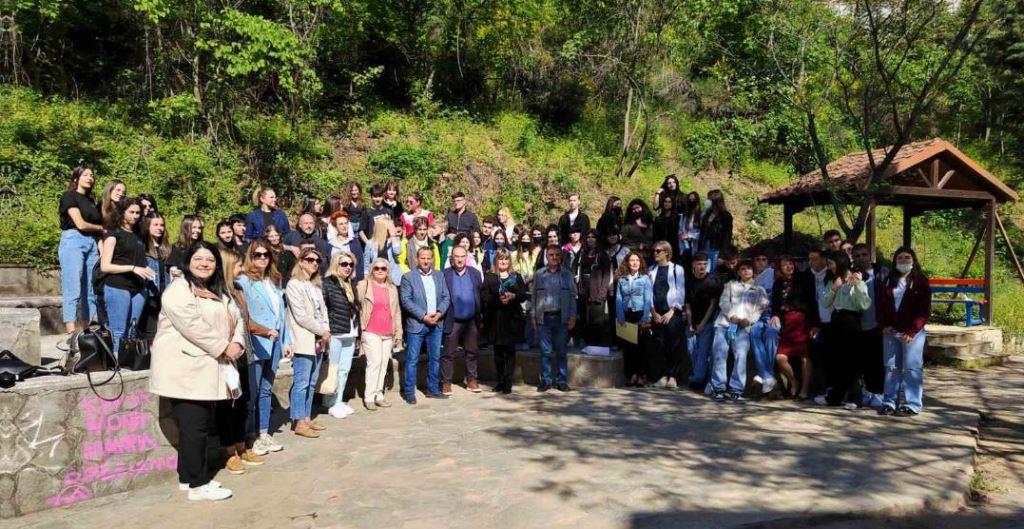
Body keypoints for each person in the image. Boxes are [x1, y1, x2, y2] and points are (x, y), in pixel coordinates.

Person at [149, 241, 245, 501]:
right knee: (195, 429)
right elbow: (193, 326)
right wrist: (224, 347)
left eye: (210, 260)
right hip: (186, 370)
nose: (204, 264)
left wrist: (238, 343)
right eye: (199, 259)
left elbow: (236, 318)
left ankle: (187, 478)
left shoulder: (217, 289)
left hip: (207, 367)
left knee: (196, 427)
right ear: (188, 261)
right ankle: (198, 485)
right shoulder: (178, 290)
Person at [237, 240, 294, 455]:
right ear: (250, 257)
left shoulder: (274, 281)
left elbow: (282, 314)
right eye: (257, 255)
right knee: (252, 392)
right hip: (257, 341)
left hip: (275, 341)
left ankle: (263, 433)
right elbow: (244, 315)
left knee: (266, 390)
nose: (262, 258)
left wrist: (286, 340)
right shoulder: (243, 281)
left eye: (266, 255)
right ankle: (249, 436)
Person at [218, 248, 266, 475]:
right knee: (227, 406)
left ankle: (241, 445)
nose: (243, 268)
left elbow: (246, 321)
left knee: (244, 402)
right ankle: (229, 452)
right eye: (238, 265)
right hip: (227, 357)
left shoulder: (238, 289)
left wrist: (265, 330)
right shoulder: (217, 292)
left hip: (245, 354)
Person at [878, 247, 930, 417]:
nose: (903, 261)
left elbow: (924, 310)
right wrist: (883, 324)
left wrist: (912, 330)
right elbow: (881, 304)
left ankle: (912, 404)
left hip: (912, 333)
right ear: (895, 261)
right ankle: (889, 402)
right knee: (891, 367)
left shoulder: (921, 281)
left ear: (913, 260)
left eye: (907, 257)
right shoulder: (888, 281)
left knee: (912, 368)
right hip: (891, 331)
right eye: (900, 258)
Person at [285, 248, 330, 437]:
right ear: (301, 261)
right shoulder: (293, 285)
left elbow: (323, 311)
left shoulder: (315, 286)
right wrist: (322, 331)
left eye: (317, 260)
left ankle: (306, 417)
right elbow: (301, 316)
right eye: (310, 259)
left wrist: (325, 330)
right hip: (303, 339)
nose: (314, 263)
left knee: (312, 382)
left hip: (318, 340)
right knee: (302, 382)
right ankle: (298, 421)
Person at [99, 197, 155, 353]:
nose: (135, 216)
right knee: (119, 331)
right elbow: (105, 266)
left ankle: (129, 361)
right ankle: (117, 362)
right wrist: (133, 268)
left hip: (138, 289)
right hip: (118, 286)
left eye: (138, 213)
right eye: (131, 212)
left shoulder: (139, 235)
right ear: (122, 212)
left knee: (132, 331)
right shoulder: (113, 234)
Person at [709, 260, 769, 402]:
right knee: (719, 355)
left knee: (740, 356)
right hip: (724, 324)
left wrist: (749, 320)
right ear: (738, 272)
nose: (746, 271)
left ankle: (736, 390)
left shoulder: (759, 290)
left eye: (749, 268)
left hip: (743, 327)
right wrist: (731, 315)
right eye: (743, 269)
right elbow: (723, 302)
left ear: (753, 271)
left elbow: (760, 309)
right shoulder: (730, 285)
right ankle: (718, 388)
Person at [816, 258, 871, 409]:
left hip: (851, 320)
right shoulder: (833, 281)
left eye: (831, 264)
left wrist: (858, 285)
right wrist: (834, 288)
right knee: (837, 361)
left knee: (851, 361)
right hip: (836, 320)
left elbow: (864, 304)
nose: (829, 267)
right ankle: (835, 397)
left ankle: (855, 397)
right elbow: (825, 303)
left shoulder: (856, 280)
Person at [399, 247, 451, 403]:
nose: (426, 261)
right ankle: (409, 392)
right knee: (412, 360)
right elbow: (406, 301)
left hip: (436, 323)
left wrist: (439, 313)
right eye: (423, 258)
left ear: (432, 259)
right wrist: (423, 316)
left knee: (435, 358)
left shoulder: (439, 275)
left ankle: (433, 389)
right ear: (417, 259)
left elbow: (446, 297)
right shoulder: (408, 277)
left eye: (429, 258)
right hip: (417, 325)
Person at [59, 166, 103, 333]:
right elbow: (81, 224)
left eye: (92, 175)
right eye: (85, 175)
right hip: (74, 240)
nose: (90, 177)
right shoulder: (69, 196)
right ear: (76, 178)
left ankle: (87, 331)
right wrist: (102, 229)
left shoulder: (91, 201)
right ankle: (71, 331)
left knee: (90, 289)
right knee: (73, 287)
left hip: (91, 242)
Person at [358, 257, 404, 410]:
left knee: (384, 364)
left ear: (387, 271)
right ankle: (369, 396)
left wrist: (399, 331)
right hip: (371, 330)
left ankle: (379, 394)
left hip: (388, 331)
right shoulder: (365, 285)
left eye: (383, 268)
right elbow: (357, 306)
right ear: (372, 270)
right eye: (376, 268)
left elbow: (396, 311)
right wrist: (361, 328)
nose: (379, 271)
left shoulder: (392, 288)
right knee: (375, 362)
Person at [531, 245, 578, 392]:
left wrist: (572, 316)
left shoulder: (567, 274)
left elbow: (572, 296)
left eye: (557, 255)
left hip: (561, 318)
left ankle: (562, 381)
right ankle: (546, 381)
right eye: (551, 255)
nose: (554, 258)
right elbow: (534, 296)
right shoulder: (539, 274)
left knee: (562, 351)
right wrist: (533, 316)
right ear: (546, 256)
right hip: (543, 318)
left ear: (560, 257)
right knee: (545, 352)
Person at [771, 255, 818, 400]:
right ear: (780, 268)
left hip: (802, 321)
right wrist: (775, 315)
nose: (789, 267)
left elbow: (812, 301)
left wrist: (815, 324)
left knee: (805, 357)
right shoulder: (778, 283)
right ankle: (794, 382)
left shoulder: (804, 279)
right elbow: (775, 304)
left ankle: (804, 390)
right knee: (780, 357)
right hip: (786, 323)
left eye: (791, 263)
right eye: (785, 265)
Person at [321, 252, 361, 417]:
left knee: (345, 369)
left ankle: (338, 400)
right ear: (336, 265)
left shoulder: (351, 283)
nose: (348, 267)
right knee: (333, 369)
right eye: (344, 264)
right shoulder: (328, 283)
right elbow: (323, 307)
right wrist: (325, 329)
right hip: (336, 331)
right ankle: (330, 402)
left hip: (350, 331)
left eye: (351, 265)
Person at [482, 248, 527, 394]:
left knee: (510, 351)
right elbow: (484, 296)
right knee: (498, 353)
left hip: (512, 319)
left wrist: (513, 296)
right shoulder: (490, 277)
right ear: (496, 260)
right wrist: (498, 299)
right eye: (500, 258)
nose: (503, 261)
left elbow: (523, 295)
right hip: (496, 319)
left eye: (506, 258)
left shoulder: (516, 276)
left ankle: (508, 382)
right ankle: (500, 381)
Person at [441, 246, 484, 394]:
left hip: (471, 320)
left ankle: (472, 380)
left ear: (466, 257)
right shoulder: (445, 274)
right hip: (453, 319)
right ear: (452, 258)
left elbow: (480, 295)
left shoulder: (475, 274)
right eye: (456, 256)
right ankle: (446, 382)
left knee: (472, 351)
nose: (459, 259)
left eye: (462, 256)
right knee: (448, 353)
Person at [648, 241, 688, 389]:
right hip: (657, 312)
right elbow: (649, 292)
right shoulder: (651, 270)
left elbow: (680, 291)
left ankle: (673, 376)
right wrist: (653, 311)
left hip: (672, 312)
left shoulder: (677, 269)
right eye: (654, 250)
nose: (655, 253)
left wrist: (672, 311)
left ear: (667, 252)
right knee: (660, 344)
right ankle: (663, 375)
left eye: (658, 251)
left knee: (674, 344)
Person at [852, 243, 887, 396]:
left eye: (864, 254)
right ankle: (867, 392)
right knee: (863, 362)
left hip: (878, 324)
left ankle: (879, 393)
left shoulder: (882, 272)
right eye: (857, 256)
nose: (861, 258)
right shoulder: (851, 275)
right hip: (858, 325)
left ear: (870, 255)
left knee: (878, 361)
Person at [616, 251, 653, 387]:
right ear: (627, 263)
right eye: (632, 260)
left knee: (642, 348)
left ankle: (642, 375)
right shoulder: (622, 280)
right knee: (629, 348)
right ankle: (632, 375)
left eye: (637, 260)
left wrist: (645, 318)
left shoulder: (645, 279)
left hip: (640, 314)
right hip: (627, 315)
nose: (635, 263)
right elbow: (618, 299)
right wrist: (620, 316)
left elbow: (648, 299)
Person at [685, 252, 721, 391]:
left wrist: (702, 324)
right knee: (691, 350)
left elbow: (713, 305)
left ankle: (697, 379)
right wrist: (690, 324)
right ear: (693, 264)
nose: (702, 267)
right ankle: (699, 376)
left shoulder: (712, 281)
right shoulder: (689, 281)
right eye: (699, 264)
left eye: (705, 264)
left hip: (707, 321)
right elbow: (687, 304)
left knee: (703, 352)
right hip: (691, 321)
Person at [578, 229, 614, 350]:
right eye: (588, 237)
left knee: (597, 321)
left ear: (597, 239)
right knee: (584, 319)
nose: (590, 239)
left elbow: (607, 275)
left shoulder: (603, 255)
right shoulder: (582, 253)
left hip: (597, 291)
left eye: (593, 237)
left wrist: (602, 293)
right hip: (584, 290)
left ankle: (596, 346)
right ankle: (586, 344)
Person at [749, 251, 778, 394]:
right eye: (758, 259)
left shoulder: (772, 273)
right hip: (755, 316)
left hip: (772, 313)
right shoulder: (750, 276)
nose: (761, 262)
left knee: (772, 332)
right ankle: (768, 375)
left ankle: (764, 374)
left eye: (764, 259)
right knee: (754, 332)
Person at [139, 213, 171, 342]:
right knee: (150, 330)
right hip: (149, 294)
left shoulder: (167, 248)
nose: (159, 228)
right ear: (147, 226)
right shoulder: (142, 246)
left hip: (165, 293)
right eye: (155, 225)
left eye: (162, 225)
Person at [363, 217, 404, 286]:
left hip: (393, 279)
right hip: (376, 278)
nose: (393, 229)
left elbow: (397, 252)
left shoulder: (394, 240)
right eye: (390, 227)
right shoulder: (370, 243)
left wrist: (393, 236)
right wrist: (366, 279)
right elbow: (366, 264)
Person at [698, 189, 732, 267]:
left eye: (709, 199)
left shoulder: (726, 216)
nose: (707, 201)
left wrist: (722, 255)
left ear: (715, 200)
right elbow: (703, 231)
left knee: (712, 269)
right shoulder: (708, 213)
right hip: (704, 246)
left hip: (716, 248)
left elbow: (727, 237)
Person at [325, 212, 364, 281]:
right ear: (335, 226)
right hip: (334, 281)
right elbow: (327, 265)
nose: (344, 226)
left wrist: (359, 281)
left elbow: (360, 263)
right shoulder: (330, 244)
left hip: (351, 280)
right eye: (341, 224)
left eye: (346, 223)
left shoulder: (354, 242)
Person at [653, 194, 681, 260]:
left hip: (674, 247)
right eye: (665, 201)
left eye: (669, 202)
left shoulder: (678, 218)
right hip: (661, 248)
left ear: (672, 204)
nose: (667, 204)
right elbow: (655, 235)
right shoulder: (658, 219)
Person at [678, 191, 701, 265]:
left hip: (695, 247)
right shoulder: (684, 215)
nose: (691, 202)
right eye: (690, 200)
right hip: (684, 246)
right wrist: (681, 234)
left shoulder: (701, 216)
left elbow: (702, 233)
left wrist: (690, 236)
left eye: (693, 200)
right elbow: (680, 228)